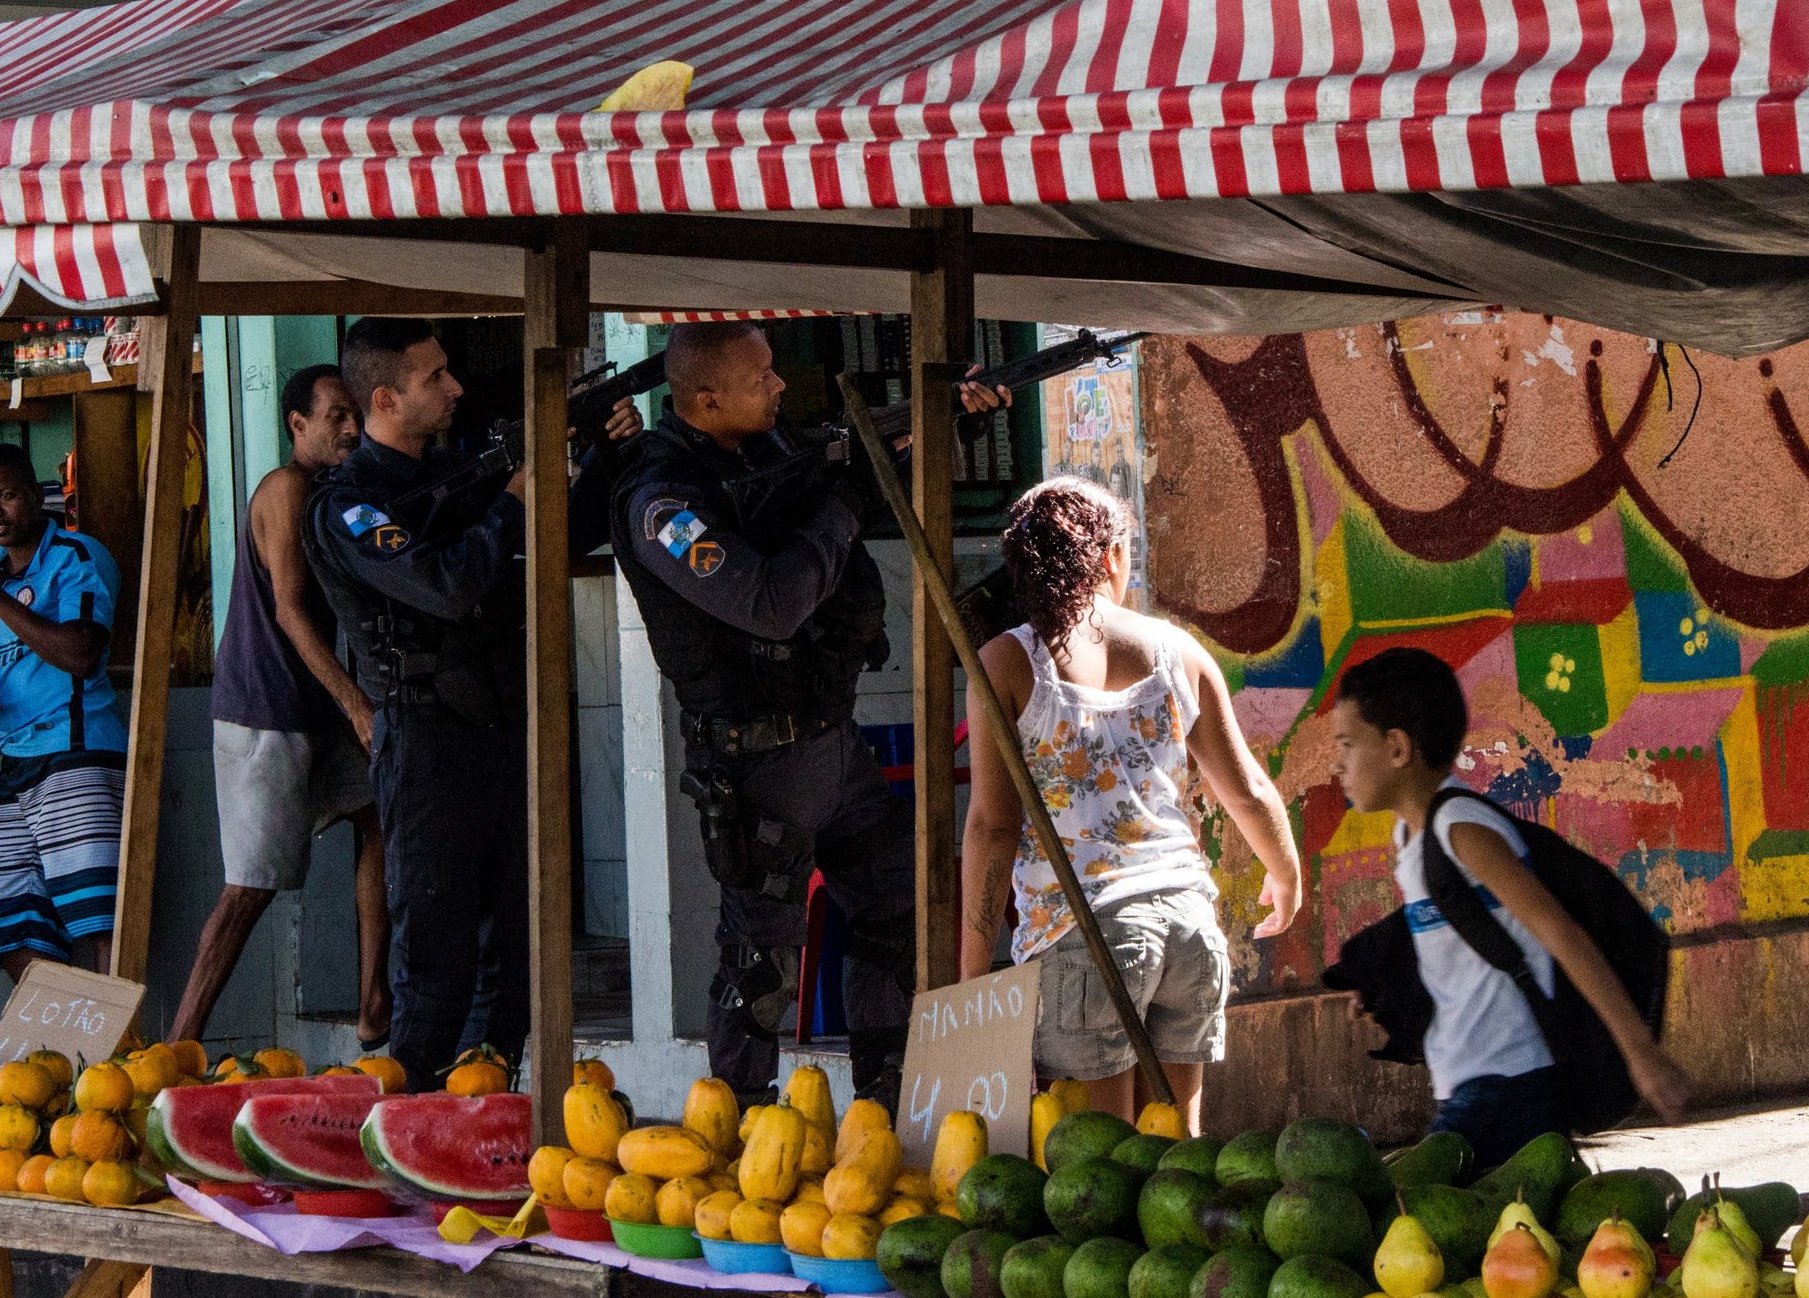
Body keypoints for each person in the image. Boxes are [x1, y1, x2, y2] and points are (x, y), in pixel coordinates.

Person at [608, 320, 1010, 1110]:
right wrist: (843, 502)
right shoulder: (663, 502)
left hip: (832, 743)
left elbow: (862, 487)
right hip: (754, 763)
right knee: (760, 961)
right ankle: (736, 1131)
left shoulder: (769, 451)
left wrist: (952, 423)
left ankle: (886, 1098)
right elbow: (769, 600)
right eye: (761, 376)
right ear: (705, 399)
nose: (781, 385)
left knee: (900, 903)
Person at [304, 318, 640, 1092]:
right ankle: (411, 1116)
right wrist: (515, 495)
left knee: (515, 956)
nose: (455, 387)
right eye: (435, 377)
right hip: (425, 743)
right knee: (436, 961)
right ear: (386, 399)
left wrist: (606, 452)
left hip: (500, 731)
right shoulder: (348, 505)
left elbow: (563, 533)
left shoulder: (460, 471)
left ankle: (486, 1107)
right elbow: (446, 584)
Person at [959, 477, 1302, 1132]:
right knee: (1178, 1146)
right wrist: (1285, 876)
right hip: (1188, 924)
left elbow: (992, 827)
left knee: (1101, 1155)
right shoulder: (1178, 652)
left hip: (1084, 935)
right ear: (1111, 556)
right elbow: (1250, 791)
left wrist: (975, 973)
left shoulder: (1005, 662)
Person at [1329, 647, 1692, 1161]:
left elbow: (1560, 932)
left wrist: (1641, 1054)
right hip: (1470, 1082)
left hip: (1511, 1083)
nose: (1337, 763)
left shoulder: (1461, 828)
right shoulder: (1411, 835)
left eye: (1347, 744)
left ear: (1396, 748)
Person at [172, 366, 390, 1049]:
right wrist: (357, 705)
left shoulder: (335, 493)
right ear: (298, 424)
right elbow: (291, 613)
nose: (352, 429)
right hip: (263, 710)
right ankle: (177, 1045)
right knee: (248, 890)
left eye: (356, 415)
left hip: (315, 709)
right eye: (336, 417)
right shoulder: (287, 488)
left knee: (380, 814)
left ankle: (373, 999)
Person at [0, 443, 127, 982]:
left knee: (100, 920)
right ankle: (64, 1029)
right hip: (16, 761)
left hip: (76, 750)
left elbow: (83, 654)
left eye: (5, 496)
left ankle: (117, 1034)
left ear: (34, 494)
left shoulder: (76, 555)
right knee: (7, 926)